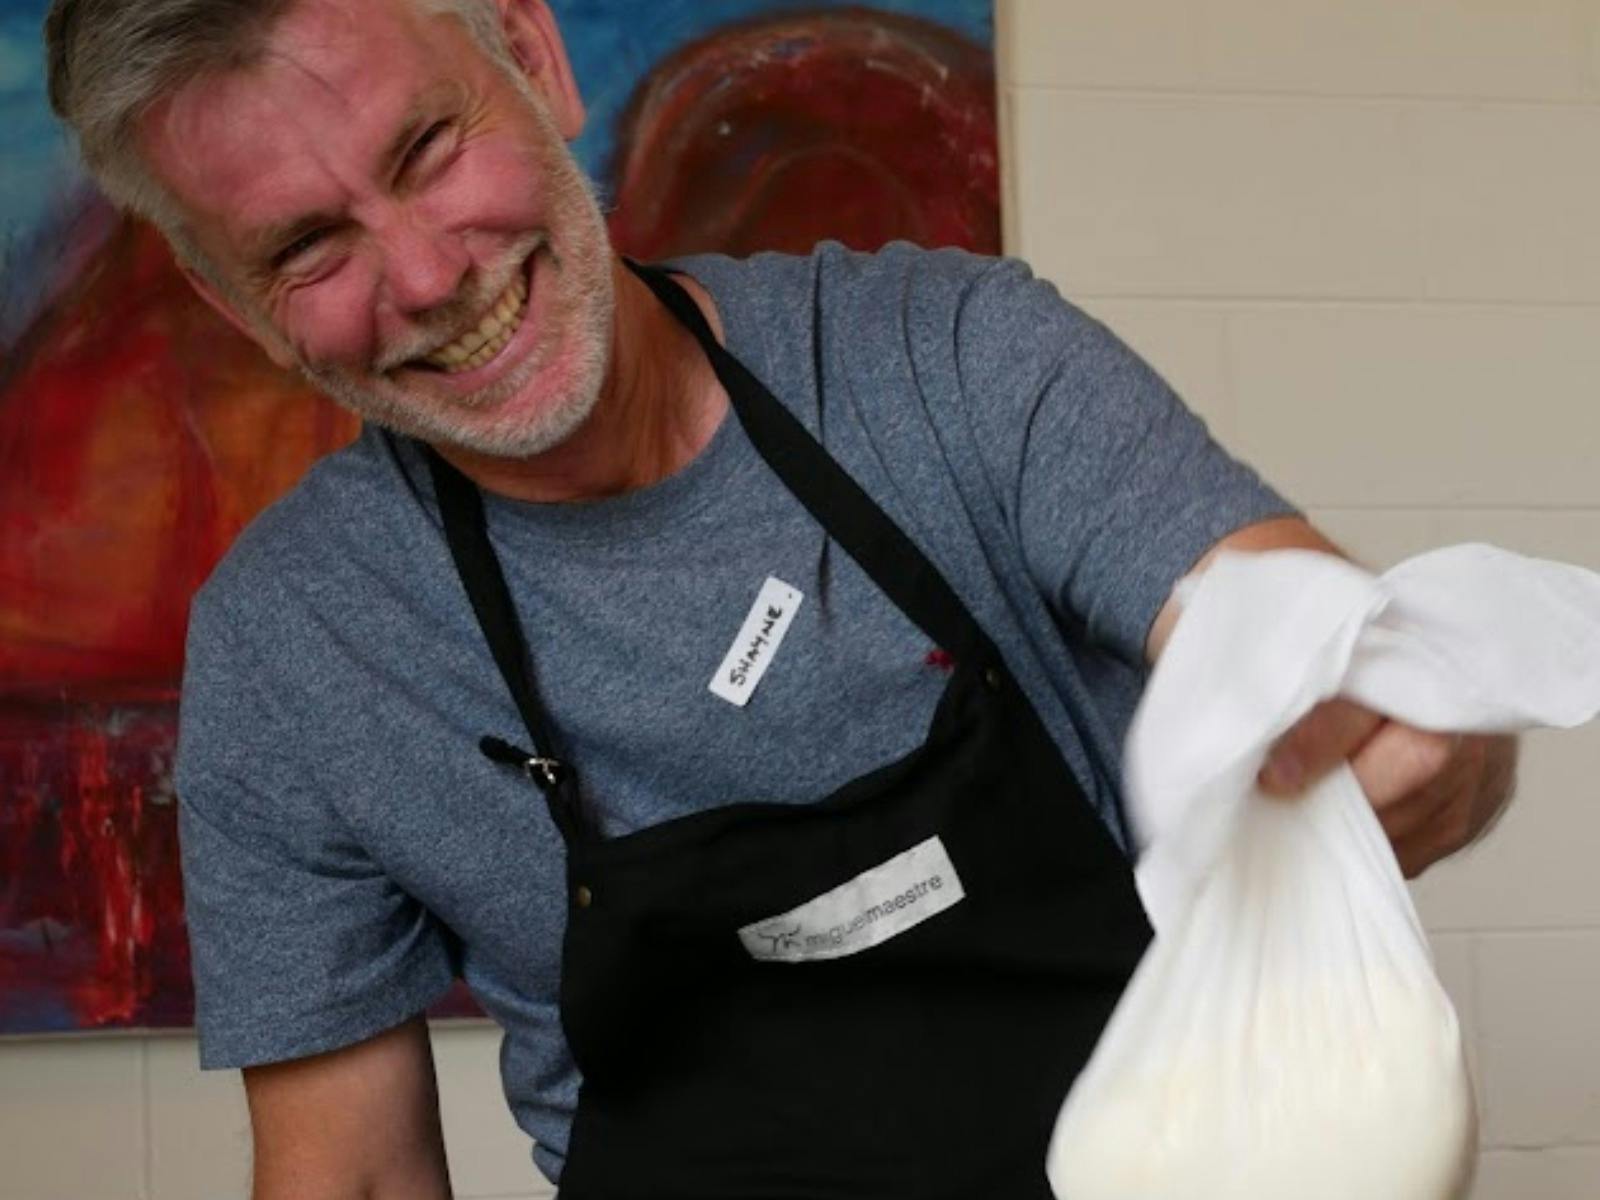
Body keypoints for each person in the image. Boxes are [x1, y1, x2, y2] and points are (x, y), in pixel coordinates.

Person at [43, 1, 1519, 1196]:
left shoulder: (954, 362)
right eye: (309, 246)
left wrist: (1387, 711)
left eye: (428, 148)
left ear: (532, 57)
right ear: (236, 305)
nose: (427, 276)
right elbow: (353, 1179)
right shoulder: (296, 648)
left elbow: (1278, 626)